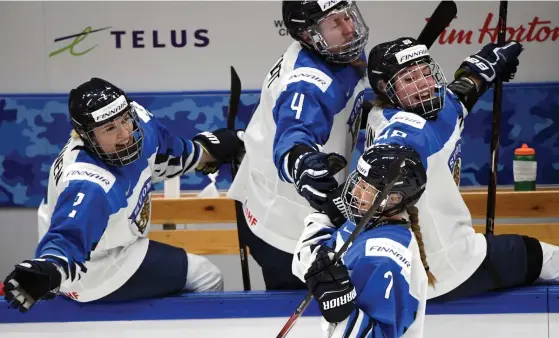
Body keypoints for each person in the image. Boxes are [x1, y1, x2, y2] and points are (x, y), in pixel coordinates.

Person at [2, 77, 245, 312]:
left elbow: (164, 154)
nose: (124, 134)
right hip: (97, 266)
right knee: (207, 277)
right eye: (109, 128)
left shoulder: (139, 122)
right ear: (85, 135)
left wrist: (207, 151)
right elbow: (69, 236)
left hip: (123, 242)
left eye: (124, 120)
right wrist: (49, 269)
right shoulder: (89, 181)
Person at [364, 37, 559, 302]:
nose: (424, 84)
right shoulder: (408, 130)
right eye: (409, 80)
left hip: (408, 266)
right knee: (544, 257)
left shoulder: (387, 112)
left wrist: (482, 70)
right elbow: (408, 137)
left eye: (425, 73)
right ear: (386, 88)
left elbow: (458, 96)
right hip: (448, 266)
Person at [227, 0, 370, 290]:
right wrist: (303, 163)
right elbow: (295, 133)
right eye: (335, 23)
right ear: (307, 34)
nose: (349, 28)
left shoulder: (338, 49)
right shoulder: (307, 81)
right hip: (284, 224)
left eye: (348, 16)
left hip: (270, 198)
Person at [292, 144, 433, 338]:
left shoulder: (384, 258)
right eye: (358, 181)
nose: (355, 191)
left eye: (366, 187)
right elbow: (305, 262)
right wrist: (324, 210)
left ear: (393, 198)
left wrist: (341, 310)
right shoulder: (361, 223)